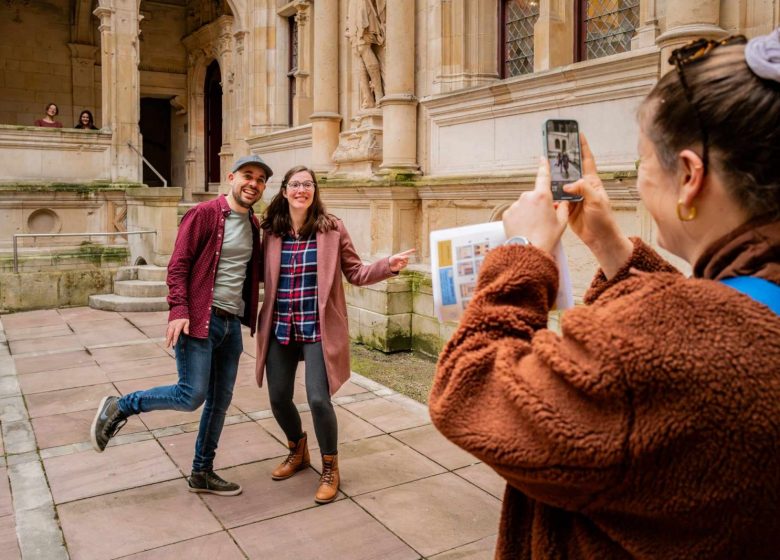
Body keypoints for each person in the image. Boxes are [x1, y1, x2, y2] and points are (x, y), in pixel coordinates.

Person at [430, 31, 780, 559]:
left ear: (688, 175)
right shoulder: (739, 313)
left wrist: (525, 251)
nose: (639, 181)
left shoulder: (660, 347)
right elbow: (723, 314)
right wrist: (611, 246)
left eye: (643, 161)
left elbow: (468, 390)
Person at [90, 154, 272, 496]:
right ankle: (121, 405)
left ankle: (201, 472)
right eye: (248, 175)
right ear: (231, 178)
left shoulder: (253, 226)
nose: (254, 183)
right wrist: (179, 310)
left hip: (231, 325)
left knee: (219, 402)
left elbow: (252, 272)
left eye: (261, 179)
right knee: (191, 396)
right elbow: (178, 265)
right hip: (200, 321)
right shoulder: (204, 214)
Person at [255, 165, 414, 504]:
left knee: (317, 398)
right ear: (284, 191)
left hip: (317, 328)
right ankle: (298, 451)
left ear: (315, 191)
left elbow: (355, 272)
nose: (301, 190)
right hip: (281, 325)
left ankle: (330, 466)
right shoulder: (270, 231)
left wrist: (389, 265)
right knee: (278, 398)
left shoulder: (331, 229)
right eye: (295, 184)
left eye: (308, 184)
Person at [346, 0, 386, 108]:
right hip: (354, 8)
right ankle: (368, 98)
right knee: (357, 51)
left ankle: (378, 95)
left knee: (363, 47)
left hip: (363, 9)